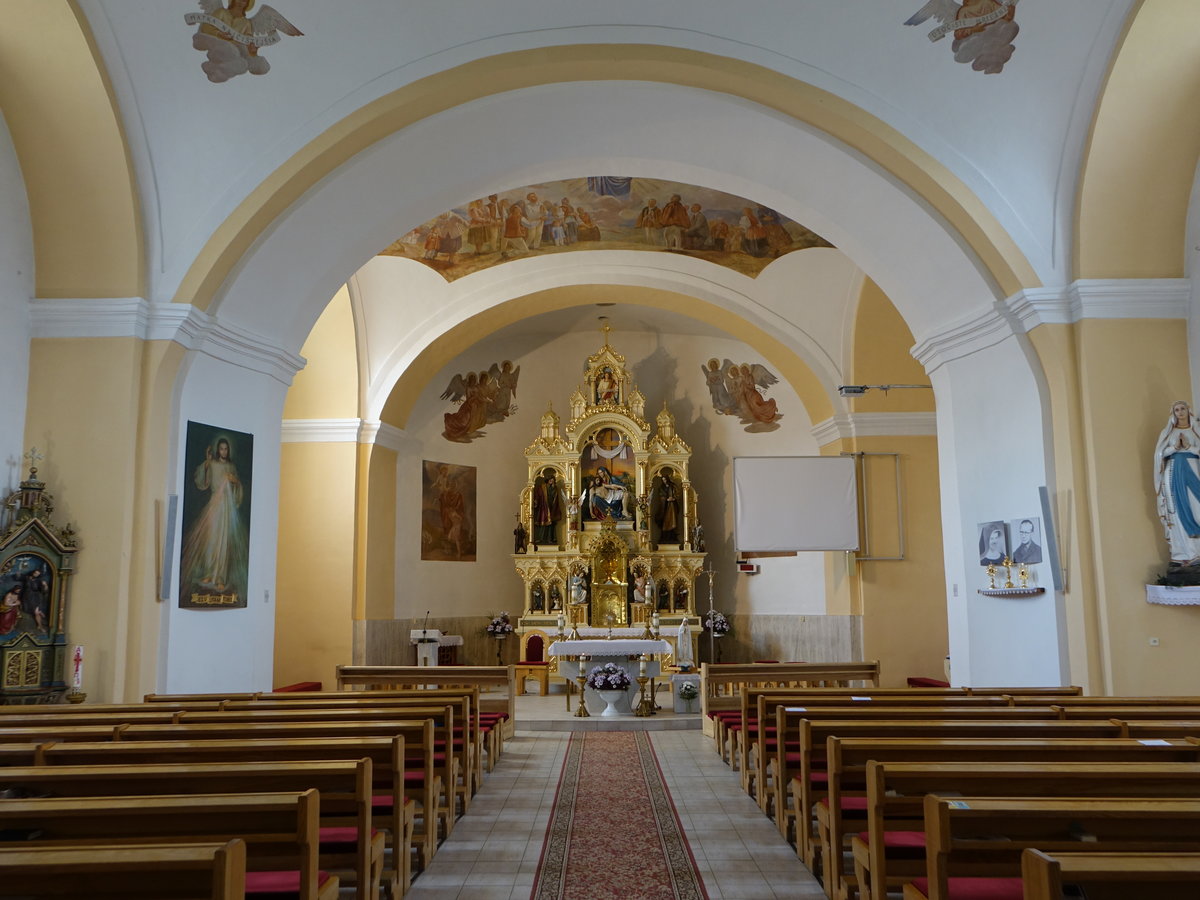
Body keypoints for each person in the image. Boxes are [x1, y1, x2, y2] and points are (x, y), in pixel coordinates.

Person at [180, 436, 248, 598]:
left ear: (228, 450)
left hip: (227, 508)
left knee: (223, 542)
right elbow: (203, 483)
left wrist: (235, 482)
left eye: (226, 449)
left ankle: (220, 577)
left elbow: (237, 488)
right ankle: (210, 572)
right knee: (211, 539)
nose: (223, 451)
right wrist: (206, 462)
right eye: (221, 448)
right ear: (218, 450)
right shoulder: (213, 464)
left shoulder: (231, 467)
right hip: (214, 505)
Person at [1154, 400, 1200, 563]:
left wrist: (1188, 447)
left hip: (1195, 470)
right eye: (1176, 410)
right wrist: (1174, 447)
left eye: (1183, 409)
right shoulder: (1167, 432)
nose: (1180, 412)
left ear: (1189, 410)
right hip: (1173, 472)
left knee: (1196, 507)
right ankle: (1187, 552)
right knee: (1178, 510)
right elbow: (1160, 454)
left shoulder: (1197, 430)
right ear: (1173, 413)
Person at [532, 467, 564, 547]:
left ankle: (550, 539)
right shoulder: (542, 487)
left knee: (551, 525)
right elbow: (537, 495)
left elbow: (555, 497)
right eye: (550, 479)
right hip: (543, 507)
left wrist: (553, 488)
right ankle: (541, 538)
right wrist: (536, 501)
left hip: (551, 507)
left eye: (553, 479)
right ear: (547, 479)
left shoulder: (554, 488)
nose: (552, 481)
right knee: (543, 524)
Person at [654, 467, 681, 545]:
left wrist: (673, 498)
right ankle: (665, 536)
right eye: (663, 480)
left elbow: (678, 495)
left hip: (672, 507)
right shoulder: (661, 488)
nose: (664, 481)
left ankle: (672, 536)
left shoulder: (673, 486)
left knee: (672, 520)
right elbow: (660, 495)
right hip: (664, 507)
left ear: (668, 479)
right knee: (664, 521)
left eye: (665, 479)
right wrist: (665, 499)